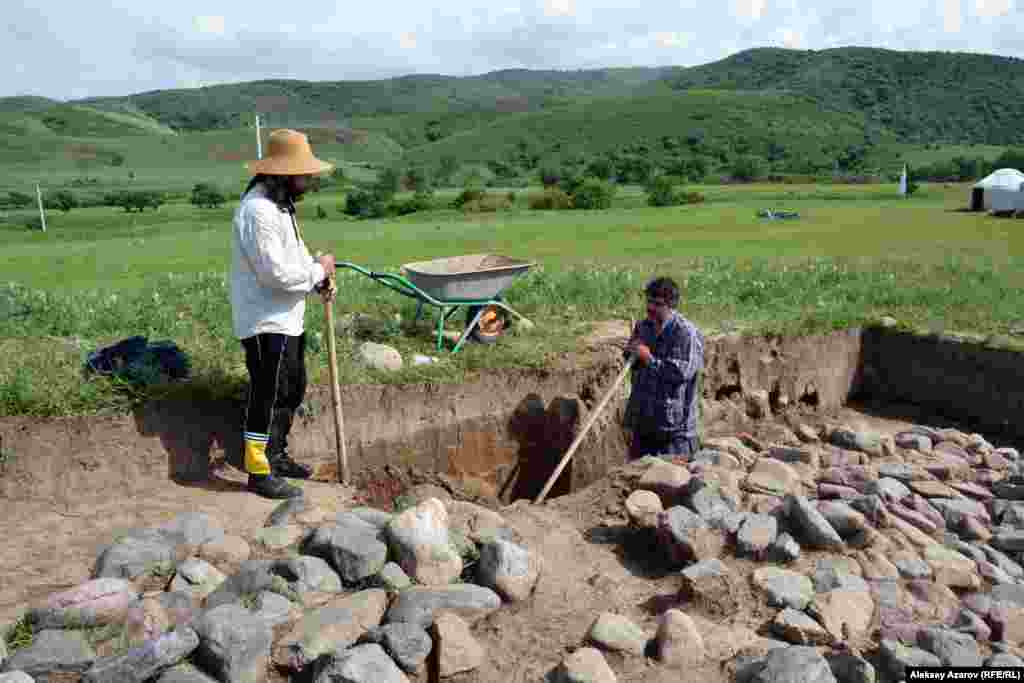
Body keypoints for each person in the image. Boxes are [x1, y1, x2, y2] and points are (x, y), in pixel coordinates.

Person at [230, 129, 337, 499]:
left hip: (287, 317)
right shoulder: (258, 211)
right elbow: (274, 274)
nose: (309, 181)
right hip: (265, 320)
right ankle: (259, 473)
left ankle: (276, 456)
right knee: (267, 393)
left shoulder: (280, 206)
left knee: (291, 389)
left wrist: (316, 278)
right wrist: (319, 270)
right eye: (303, 174)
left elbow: (295, 258)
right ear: (282, 173)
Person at [623, 276, 705, 460]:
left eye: (657, 304)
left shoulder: (685, 333)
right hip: (643, 430)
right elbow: (636, 378)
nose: (650, 308)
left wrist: (649, 358)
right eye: (649, 302)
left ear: (671, 305)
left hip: (675, 437)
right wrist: (629, 421)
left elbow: (679, 373)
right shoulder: (642, 328)